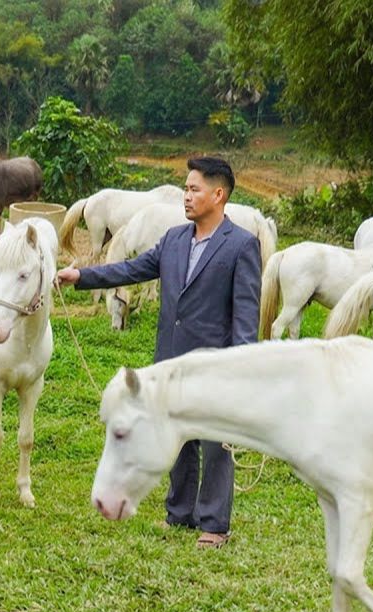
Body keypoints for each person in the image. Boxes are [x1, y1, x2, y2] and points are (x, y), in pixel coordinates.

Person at [56, 157, 262, 549]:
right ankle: (179, 513)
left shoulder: (241, 245)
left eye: (194, 189)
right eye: (185, 189)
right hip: (170, 360)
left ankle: (214, 524)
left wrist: (242, 369)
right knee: (176, 439)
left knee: (215, 445)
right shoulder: (174, 240)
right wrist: (82, 276)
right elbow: (131, 270)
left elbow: (246, 315)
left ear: (218, 194)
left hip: (214, 365)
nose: (186, 196)